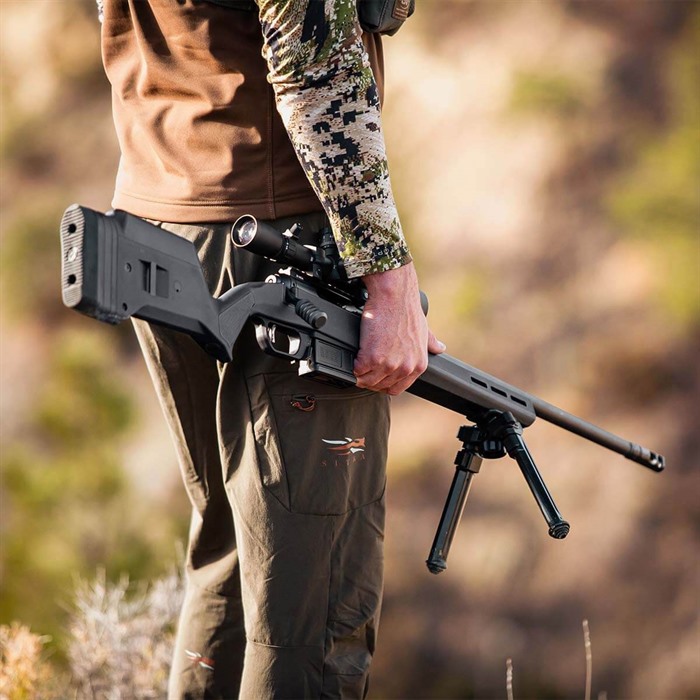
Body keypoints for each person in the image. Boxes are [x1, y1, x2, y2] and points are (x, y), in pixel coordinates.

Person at [98, 0, 444, 696]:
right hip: (275, 237)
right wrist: (388, 278)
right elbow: (315, 67)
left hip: (158, 221)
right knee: (315, 597)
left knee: (231, 544)